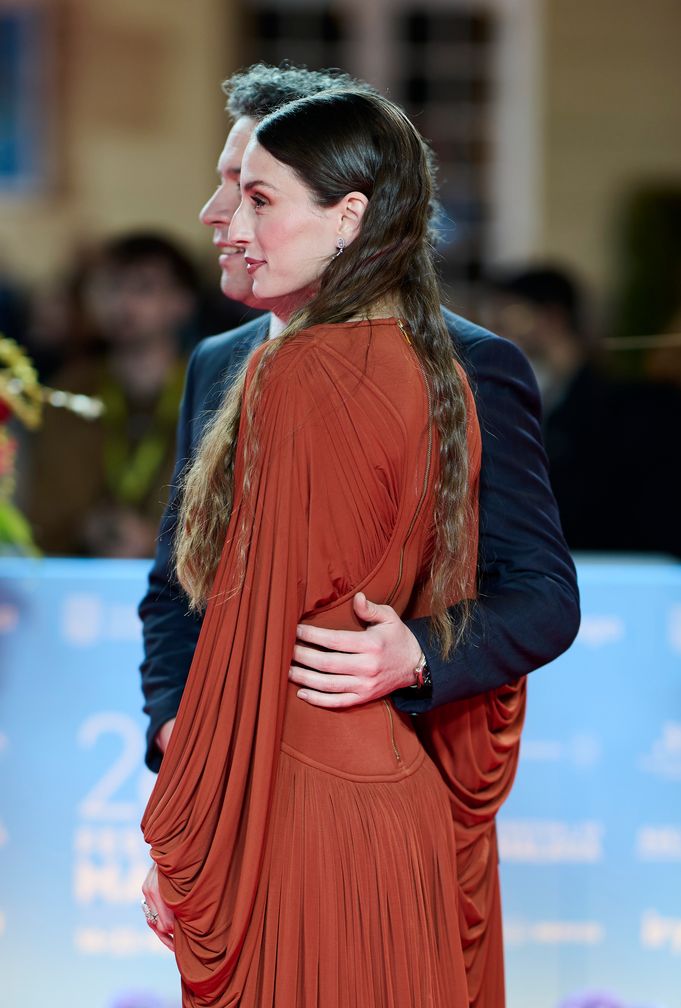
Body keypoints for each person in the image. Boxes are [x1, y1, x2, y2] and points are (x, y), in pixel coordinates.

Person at [139, 65, 579, 1005]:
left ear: (347, 212)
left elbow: (541, 594)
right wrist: (183, 731)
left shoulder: (462, 363)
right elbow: (182, 587)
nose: (220, 215)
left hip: (339, 771)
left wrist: (413, 652)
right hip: (305, 774)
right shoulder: (230, 361)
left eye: (252, 190)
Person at [487, 264, 681, 557]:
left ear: (552, 317)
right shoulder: (542, 396)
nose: (497, 331)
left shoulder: (617, 409)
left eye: (511, 317)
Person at [23, 232, 199, 556]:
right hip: (80, 574)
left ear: (182, 303)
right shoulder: (67, 391)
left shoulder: (212, 390)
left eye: (143, 288)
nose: (123, 303)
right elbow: (41, 508)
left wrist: (158, 541)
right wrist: (84, 528)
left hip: (182, 588)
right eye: (112, 287)